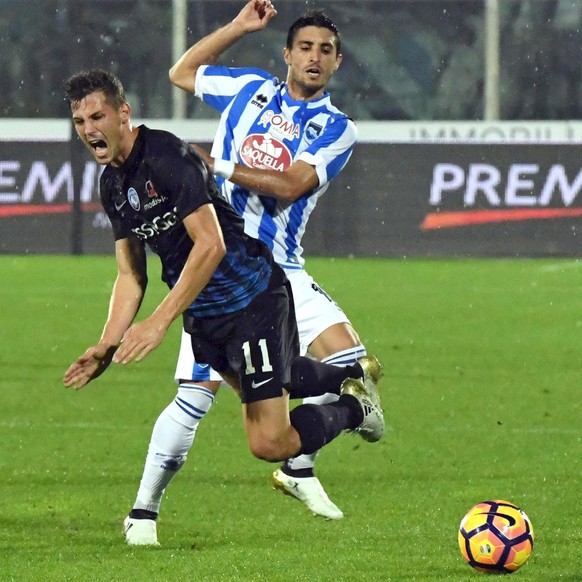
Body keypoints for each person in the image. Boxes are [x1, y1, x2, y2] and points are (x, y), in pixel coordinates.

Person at [62, 69, 384, 546]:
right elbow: (131, 275)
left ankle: (356, 409)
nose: (89, 129)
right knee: (273, 388)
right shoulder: (113, 186)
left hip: (249, 297)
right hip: (206, 314)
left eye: (97, 115)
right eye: (78, 120)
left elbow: (209, 246)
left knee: (268, 443)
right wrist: (107, 345)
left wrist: (158, 321)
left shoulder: (167, 156)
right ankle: (351, 375)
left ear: (123, 113)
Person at [123, 1, 375, 541]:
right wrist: (238, 27)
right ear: (287, 54)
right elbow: (182, 73)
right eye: (304, 47)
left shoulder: (337, 127)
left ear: (337, 63)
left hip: (282, 269)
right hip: (220, 266)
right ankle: (144, 512)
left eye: (325, 50)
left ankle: (297, 466)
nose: (314, 57)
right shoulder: (249, 90)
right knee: (196, 395)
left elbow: (289, 185)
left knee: (357, 363)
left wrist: (208, 163)